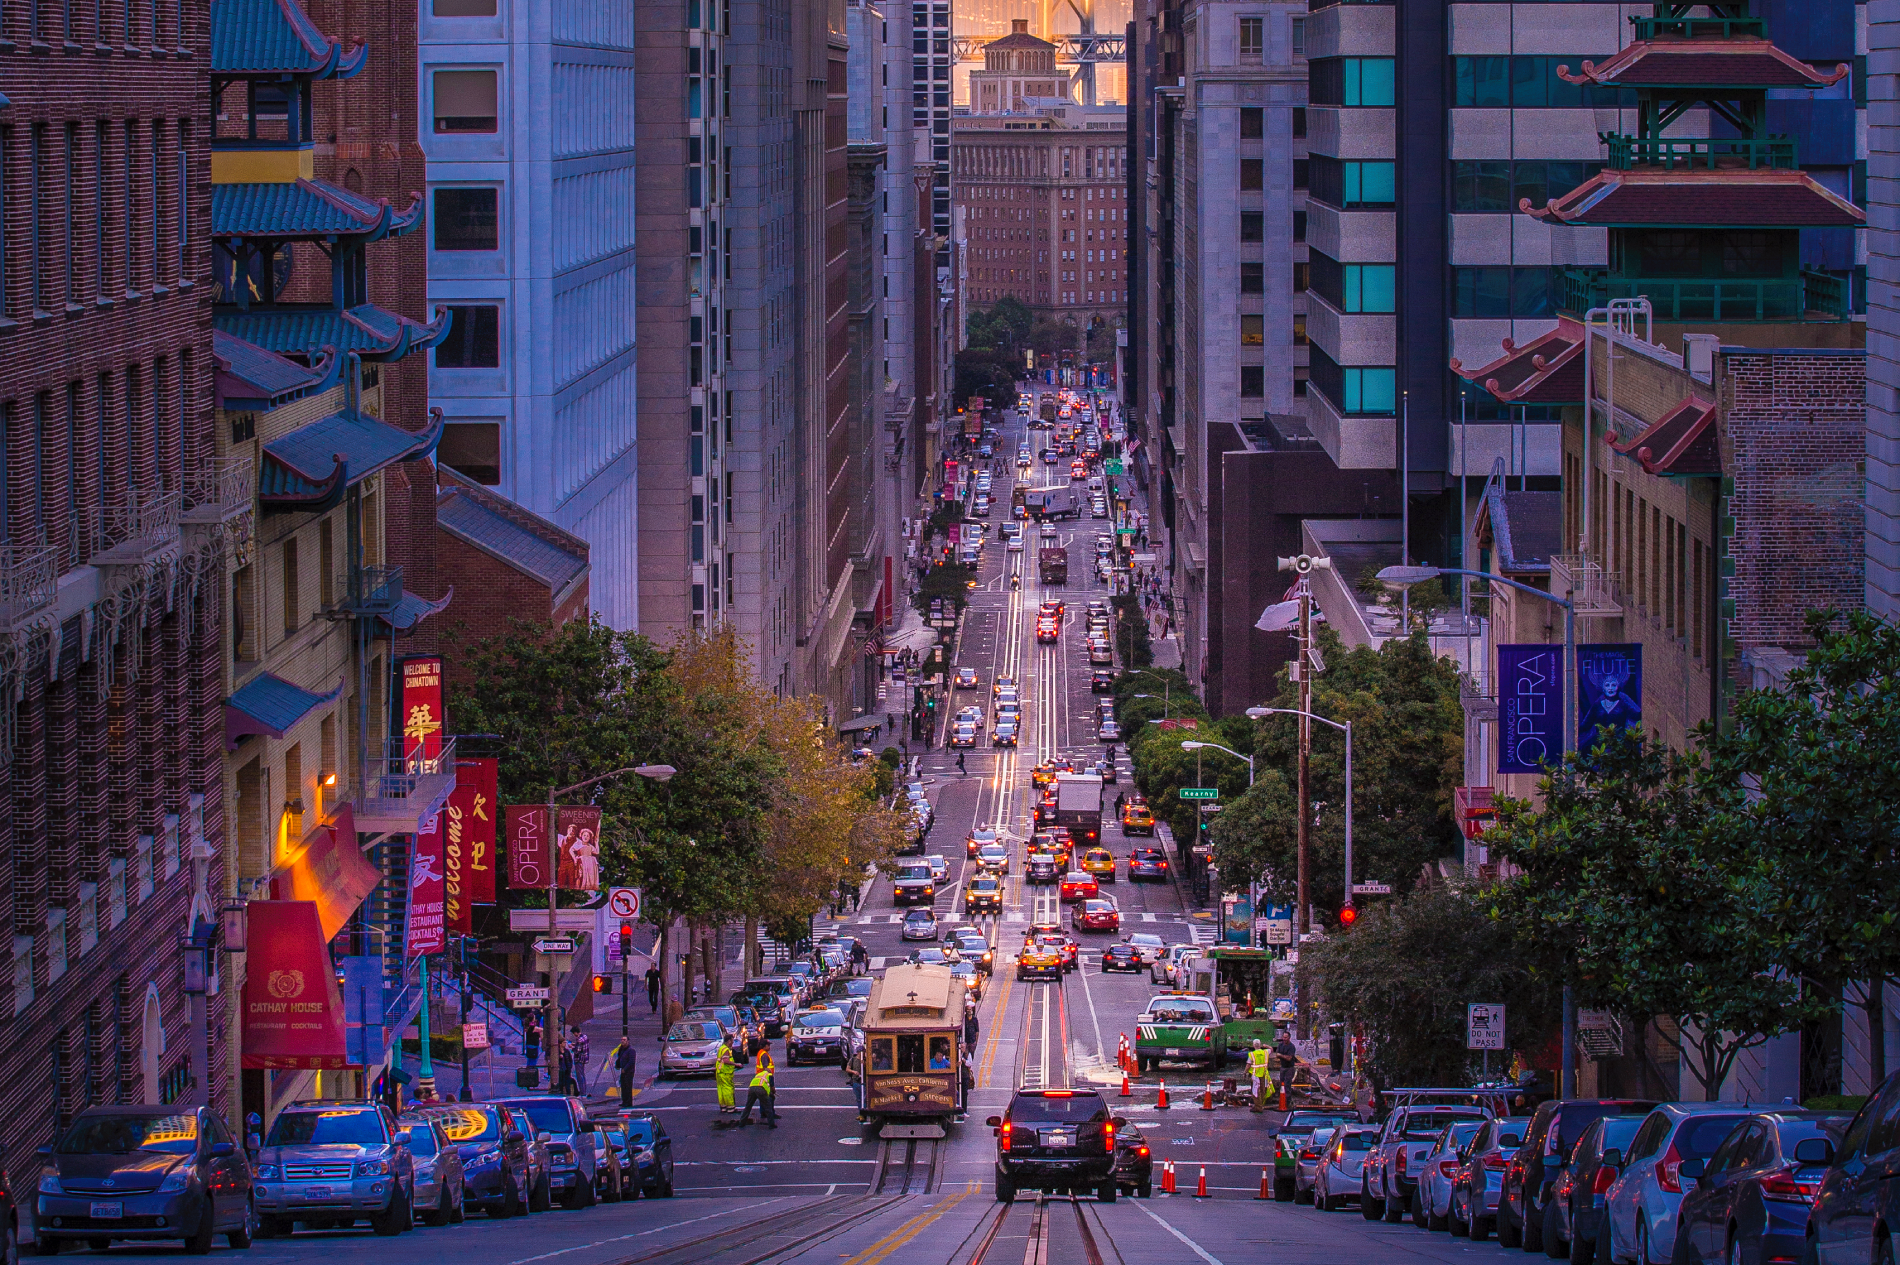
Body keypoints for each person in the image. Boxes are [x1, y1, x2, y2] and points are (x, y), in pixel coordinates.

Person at [736, 1053, 778, 1127]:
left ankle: (742, 1122)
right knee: (768, 1107)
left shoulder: (759, 1074)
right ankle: (771, 1124)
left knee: (748, 1106)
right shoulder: (769, 1075)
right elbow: (772, 1088)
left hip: (751, 1088)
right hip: (761, 1089)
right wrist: (773, 1093)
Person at [1246, 1039, 1274, 1112]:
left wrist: (1245, 1072)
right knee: (1262, 1090)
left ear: (1253, 1045)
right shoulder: (1265, 1052)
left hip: (1255, 1075)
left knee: (1255, 1091)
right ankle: (1260, 1105)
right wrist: (1265, 1046)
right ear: (1260, 1045)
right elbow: (1271, 1049)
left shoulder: (1252, 1054)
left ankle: (1258, 1107)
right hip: (1264, 1074)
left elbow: (1248, 1065)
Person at [714, 1040, 737, 1113]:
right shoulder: (726, 1049)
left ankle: (723, 1107)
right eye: (732, 1041)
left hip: (719, 1071)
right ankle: (730, 1107)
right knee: (728, 1089)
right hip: (725, 1072)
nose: (733, 1043)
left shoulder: (721, 1048)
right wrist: (736, 1064)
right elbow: (726, 1060)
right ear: (729, 1041)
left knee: (721, 1089)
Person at [615, 1039, 638, 1104]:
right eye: (622, 1040)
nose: (622, 1041)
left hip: (629, 1072)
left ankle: (628, 1102)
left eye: (624, 1040)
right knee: (623, 1086)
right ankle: (624, 1101)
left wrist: (625, 1068)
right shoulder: (621, 1050)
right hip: (623, 1071)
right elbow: (619, 1059)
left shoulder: (631, 1051)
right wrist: (617, 1065)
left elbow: (631, 1061)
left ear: (628, 1041)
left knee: (628, 1086)